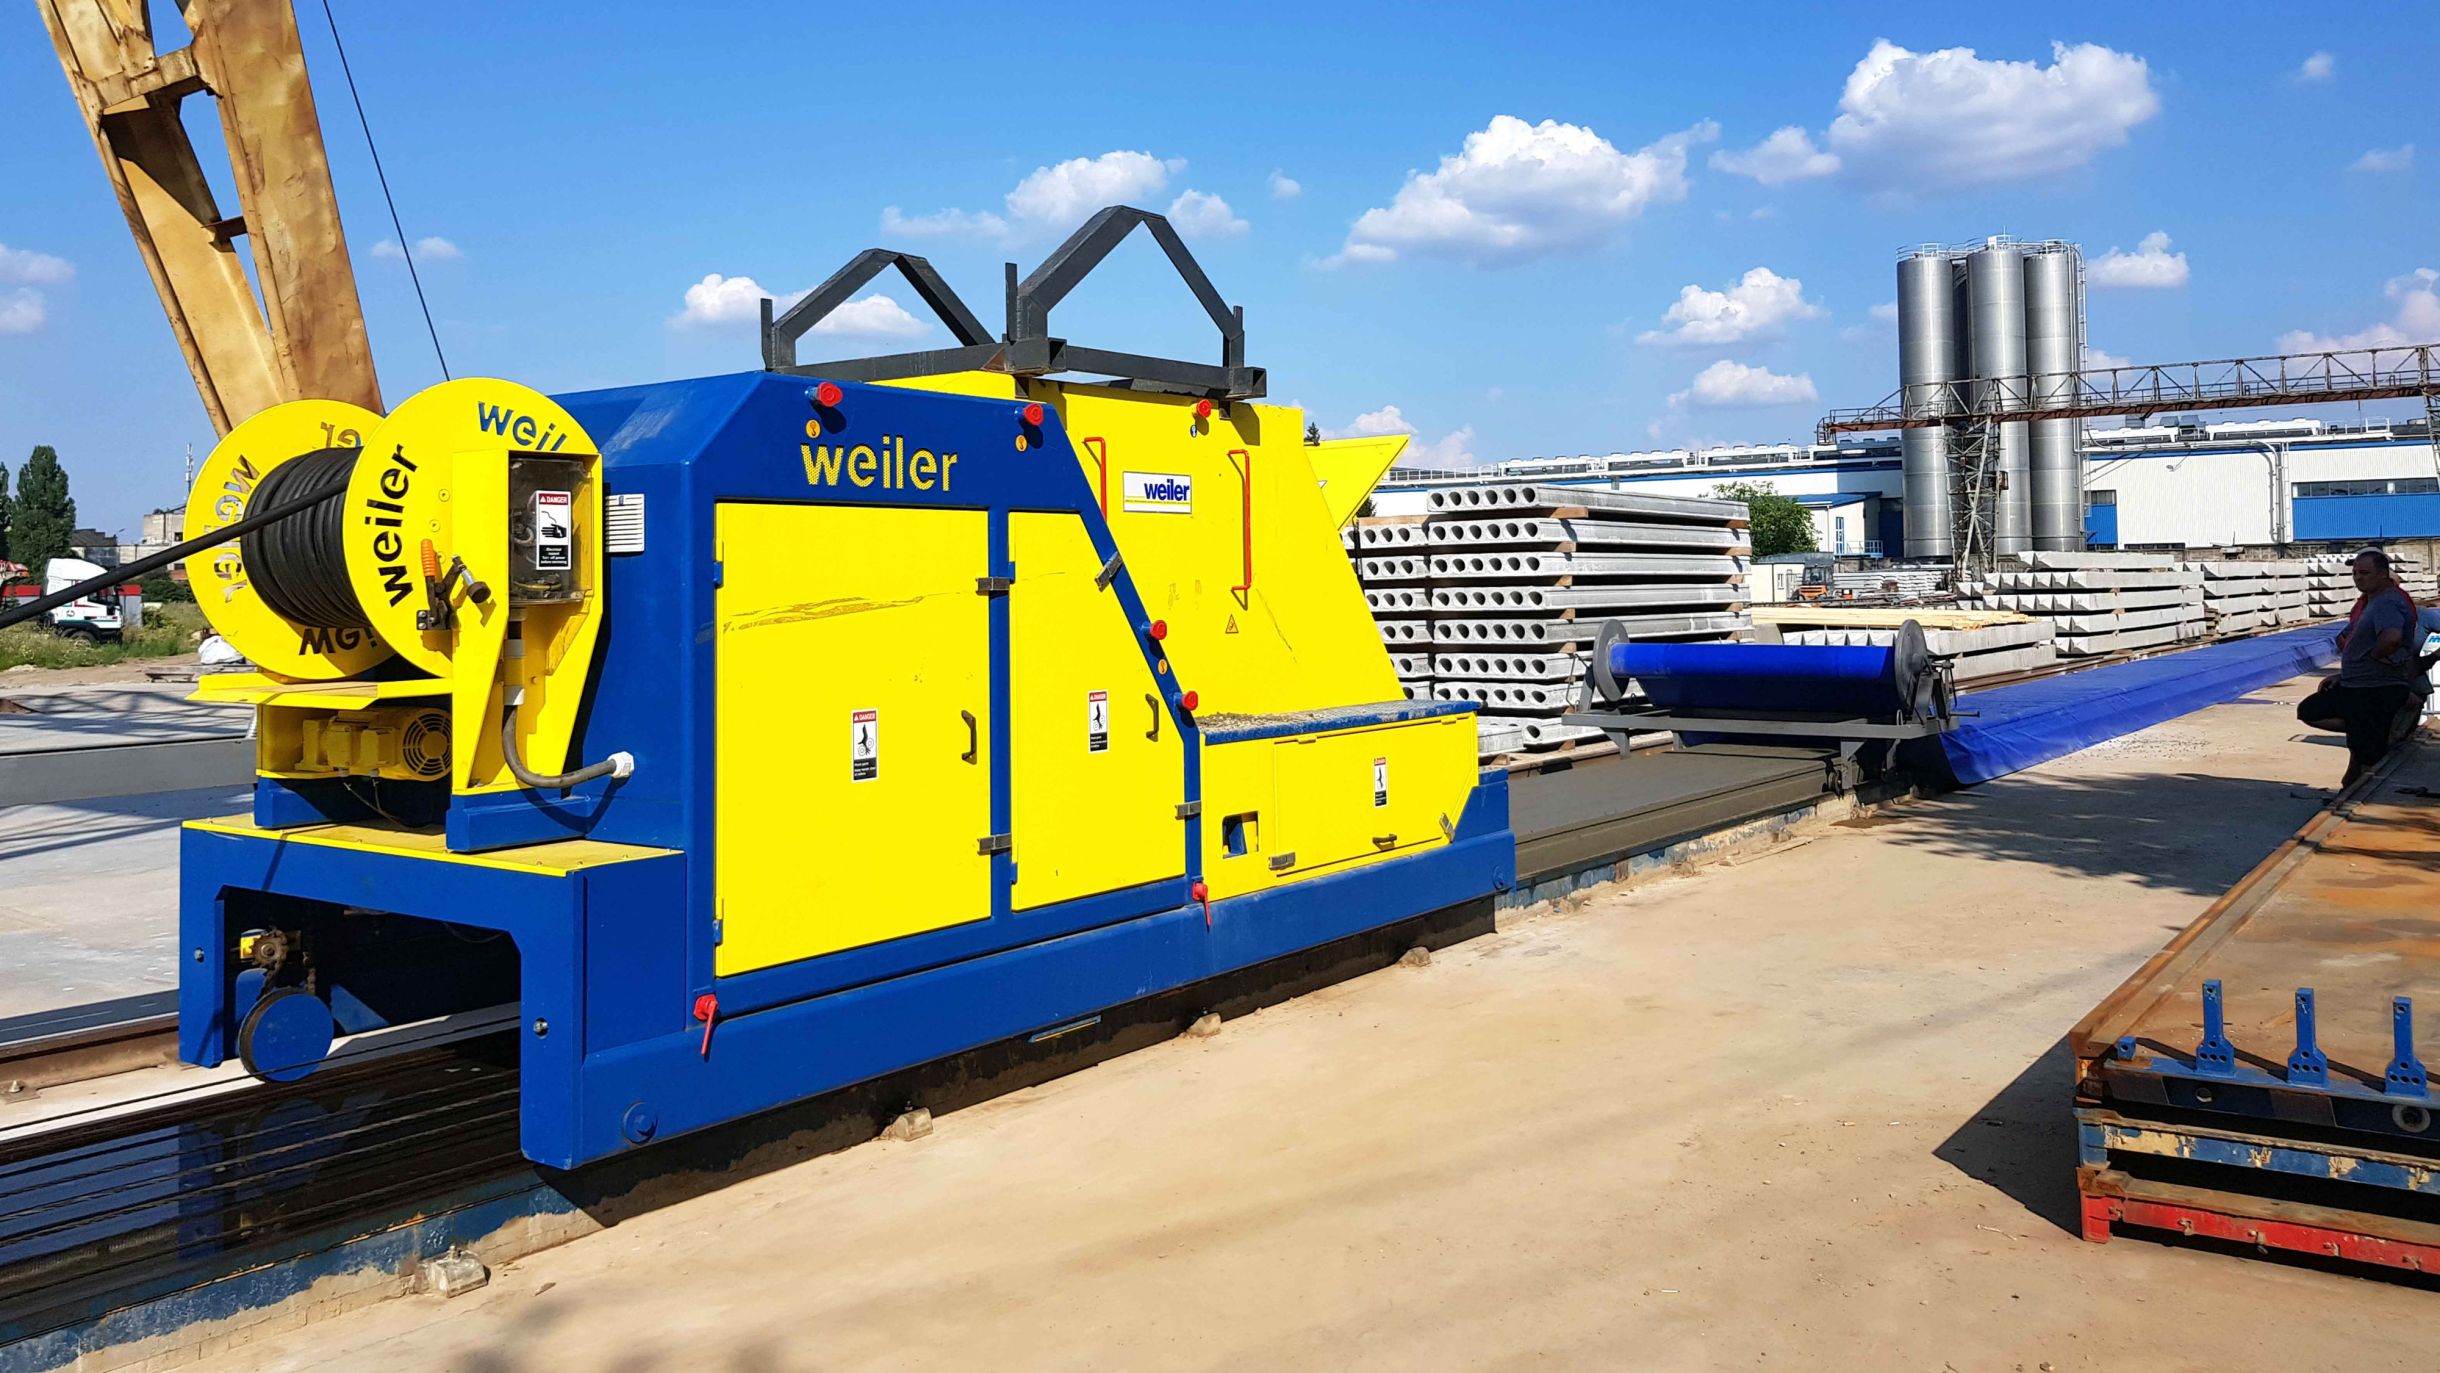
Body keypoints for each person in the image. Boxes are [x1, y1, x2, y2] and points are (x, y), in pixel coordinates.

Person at [2328, 548, 2420, 784]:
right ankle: (2354, 779)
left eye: (2365, 572)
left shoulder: (2388, 603)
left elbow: (2392, 639)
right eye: (2355, 573)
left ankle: (2361, 785)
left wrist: (2376, 656)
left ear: (2383, 575)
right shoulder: (2367, 602)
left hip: (2375, 684)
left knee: (2369, 747)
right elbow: (2352, 632)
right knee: (2360, 745)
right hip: (2362, 680)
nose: (2358, 578)